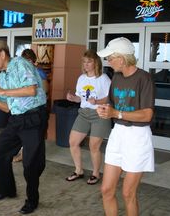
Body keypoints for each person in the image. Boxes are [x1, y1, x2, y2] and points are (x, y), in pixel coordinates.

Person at [0, 40, 48, 215]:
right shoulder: (2, 76)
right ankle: (7, 190)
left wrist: (2, 92)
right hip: (16, 118)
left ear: (3, 54)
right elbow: (7, 107)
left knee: (30, 163)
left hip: (34, 117)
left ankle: (32, 200)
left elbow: (31, 90)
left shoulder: (20, 64)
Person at [96, 37, 155, 216]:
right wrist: (105, 109)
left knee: (128, 193)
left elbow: (147, 114)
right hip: (118, 134)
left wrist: (116, 114)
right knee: (106, 190)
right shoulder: (116, 77)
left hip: (137, 137)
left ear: (121, 59)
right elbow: (112, 104)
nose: (107, 61)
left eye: (110, 58)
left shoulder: (144, 78)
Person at [65, 50, 111, 185]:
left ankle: (96, 173)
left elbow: (110, 98)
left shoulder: (103, 78)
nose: (86, 64)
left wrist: (96, 102)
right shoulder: (81, 78)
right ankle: (78, 170)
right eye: (84, 62)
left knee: (94, 146)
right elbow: (81, 98)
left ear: (96, 63)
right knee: (73, 142)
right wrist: (73, 98)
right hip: (84, 113)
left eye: (89, 61)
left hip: (99, 113)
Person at [13, 48, 49, 162]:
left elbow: (45, 89)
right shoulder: (21, 72)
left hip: (37, 108)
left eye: (28, 60)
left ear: (32, 60)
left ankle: (28, 156)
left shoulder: (38, 72)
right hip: (24, 108)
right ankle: (24, 153)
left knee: (34, 136)